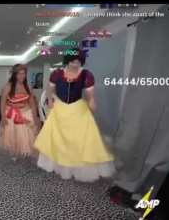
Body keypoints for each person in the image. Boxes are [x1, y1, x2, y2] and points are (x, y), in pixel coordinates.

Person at [34, 50, 115, 182]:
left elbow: (90, 95)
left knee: (79, 139)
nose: (76, 64)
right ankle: (60, 166)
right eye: (73, 61)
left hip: (78, 109)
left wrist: (92, 104)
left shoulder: (86, 74)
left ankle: (77, 168)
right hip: (59, 109)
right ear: (68, 61)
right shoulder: (56, 74)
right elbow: (50, 89)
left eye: (78, 61)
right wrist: (50, 101)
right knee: (57, 139)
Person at [0, 64, 39, 159]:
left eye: (23, 73)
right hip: (11, 114)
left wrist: (35, 116)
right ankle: (15, 151)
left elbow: (32, 103)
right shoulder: (8, 86)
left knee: (26, 135)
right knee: (14, 134)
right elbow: (2, 103)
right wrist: (3, 117)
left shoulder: (28, 86)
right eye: (19, 74)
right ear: (14, 75)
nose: (21, 76)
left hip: (26, 113)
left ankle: (23, 150)